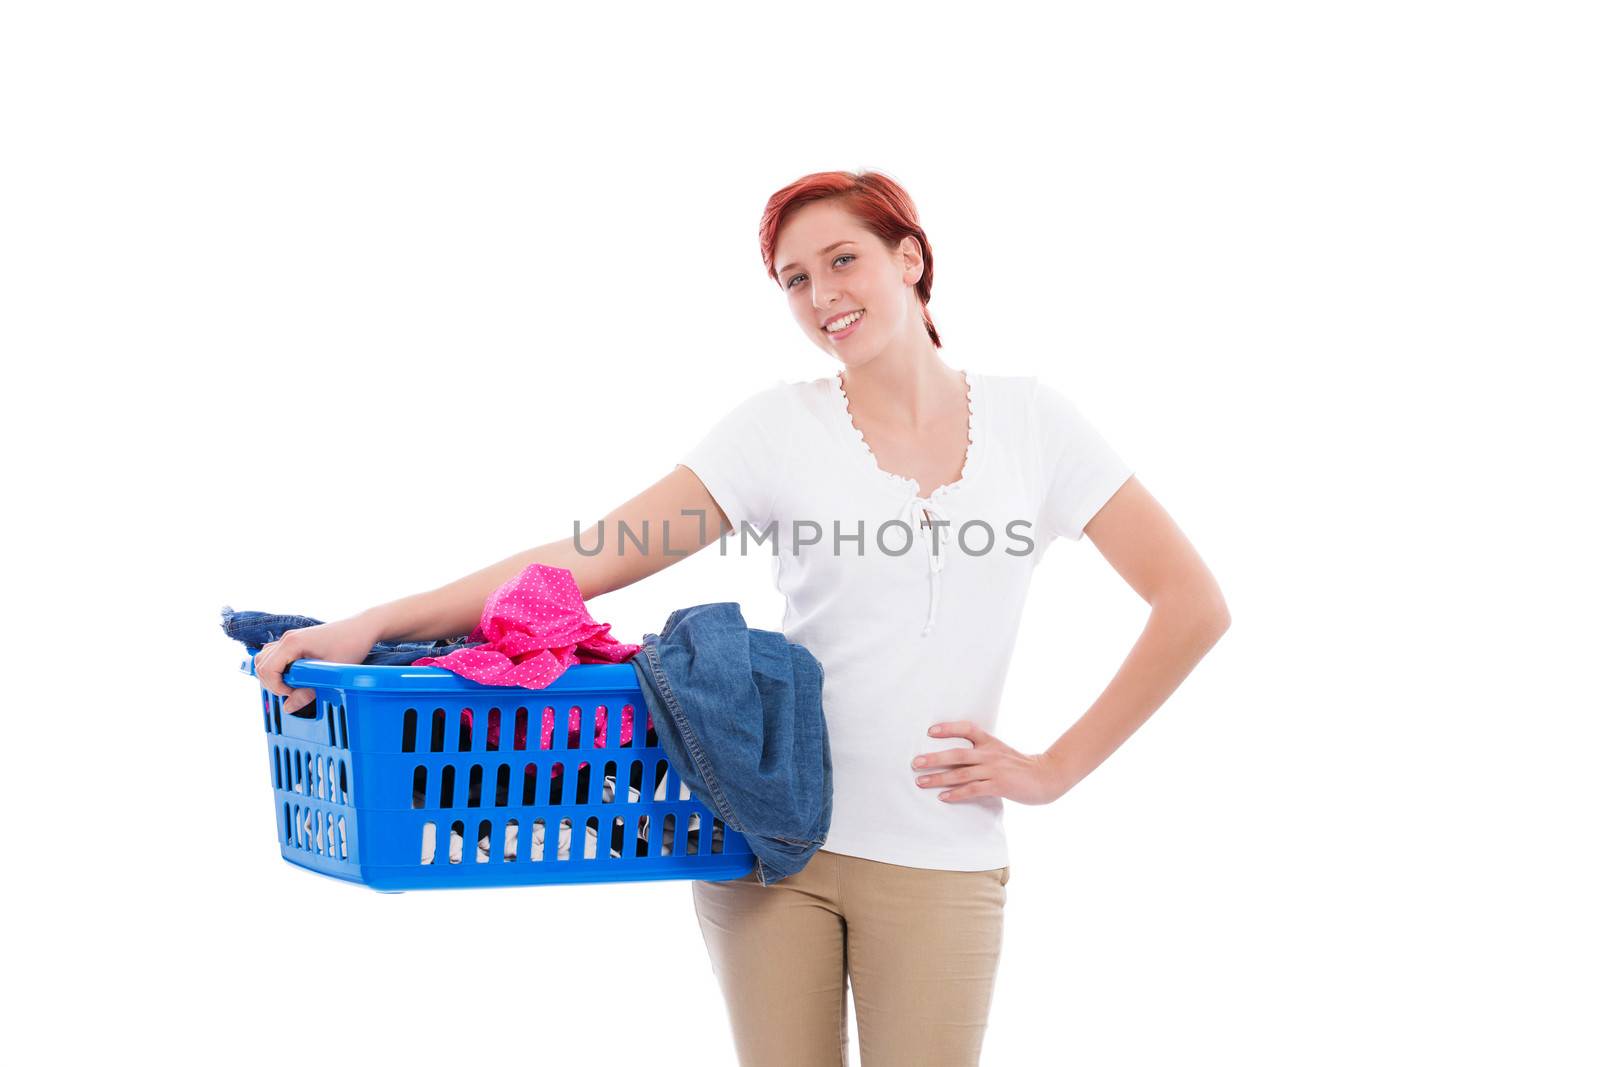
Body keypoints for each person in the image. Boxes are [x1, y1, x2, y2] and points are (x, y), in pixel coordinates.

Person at [251, 169, 1231, 1066]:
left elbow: (1191, 603)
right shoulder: (779, 431)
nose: (821, 296)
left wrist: (1054, 766)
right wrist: (372, 622)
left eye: (841, 259)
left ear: (910, 257)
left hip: (940, 852)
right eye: (793, 279)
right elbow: (584, 558)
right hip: (768, 843)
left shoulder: (1034, 426)